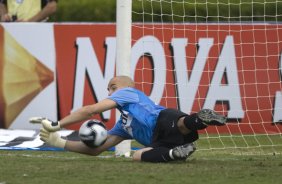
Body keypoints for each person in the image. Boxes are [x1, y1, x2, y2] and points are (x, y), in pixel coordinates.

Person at [30, 76, 227, 163]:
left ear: (125, 85)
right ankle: (176, 153)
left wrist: (57, 124)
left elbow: (90, 110)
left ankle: (201, 119)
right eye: (109, 89)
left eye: (112, 87)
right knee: (136, 156)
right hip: (164, 141)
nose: (110, 91)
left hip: (163, 118)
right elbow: (97, 149)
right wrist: (59, 142)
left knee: (181, 124)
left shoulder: (128, 93)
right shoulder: (123, 125)